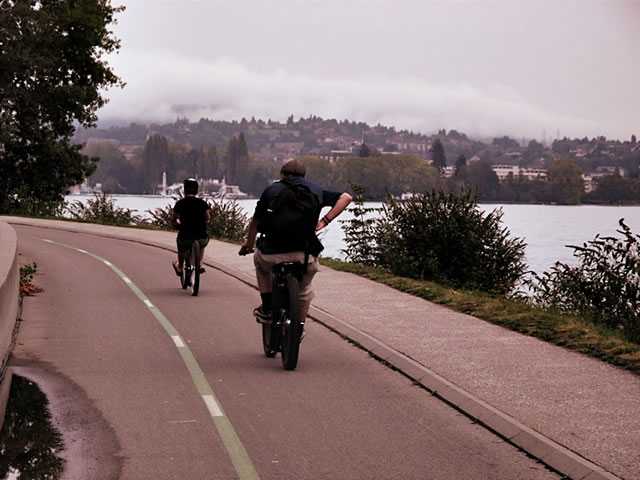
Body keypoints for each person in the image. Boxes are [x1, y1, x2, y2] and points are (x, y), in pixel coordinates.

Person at [239, 159, 352, 328]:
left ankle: (268, 308)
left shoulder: (271, 190)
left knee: (260, 264)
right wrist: (325, 221)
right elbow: (346, 197)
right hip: (304, 255)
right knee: (304, 291)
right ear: (305, 176)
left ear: (282, 175)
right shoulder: (316, 189)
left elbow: (255, 221)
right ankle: (298, 328)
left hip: (271, 253)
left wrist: (248, 243)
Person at [171, 178, 211, 276]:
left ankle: (180, 266)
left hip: (185, 238)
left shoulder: (180, 204)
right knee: (202, 242)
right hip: (201, 237)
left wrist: (177, 223)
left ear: (184, 190)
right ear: (197, 191)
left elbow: (173, 219)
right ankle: (200, 263)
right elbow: (208, 218)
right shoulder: (202, 204)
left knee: (180, 244)